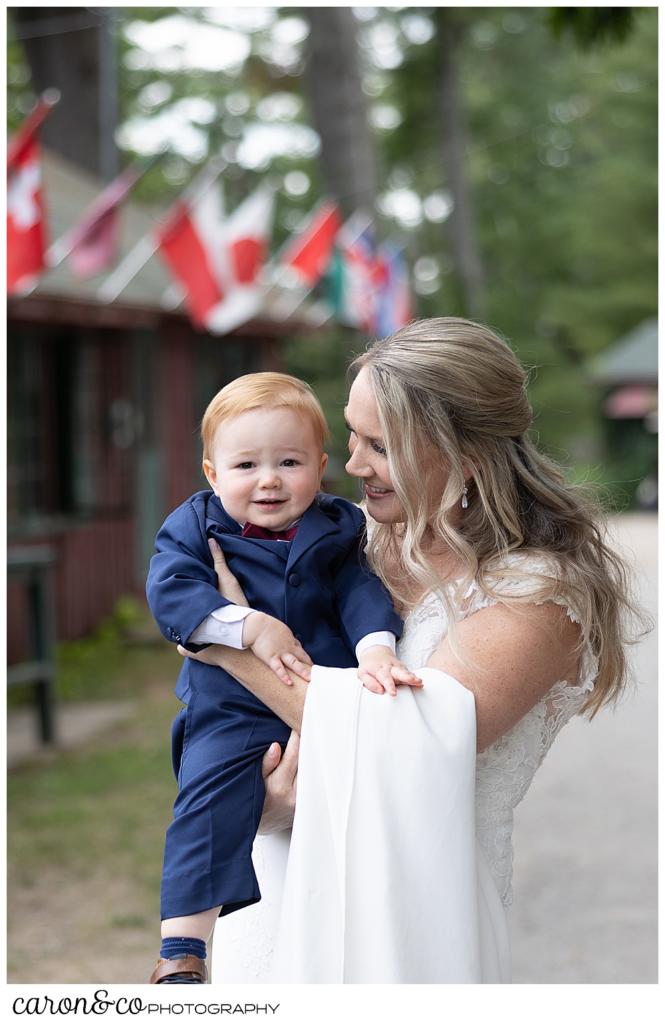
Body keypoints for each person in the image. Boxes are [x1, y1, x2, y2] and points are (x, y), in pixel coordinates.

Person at [179, 318, 639, 983]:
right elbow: (221, 712)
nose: (353, 464)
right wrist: (251, 801)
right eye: (351, 435)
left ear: (467, 452)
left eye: (380, 445)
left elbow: (403, 742)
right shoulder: (341, 540)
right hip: (274, 884)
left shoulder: (534, 593)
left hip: (416, 922)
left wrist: (226, 643)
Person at [146, 372, 419, 984]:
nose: (268, 479)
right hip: (232, 707)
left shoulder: (339, 525)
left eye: (289, 462)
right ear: (213, 474)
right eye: (246, 465)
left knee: (344, 840)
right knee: (208, 802)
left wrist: (376, 648)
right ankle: (183, 946)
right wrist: (245, 627)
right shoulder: (195, 525)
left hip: (325, 693)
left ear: (319, 467)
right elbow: (170, 593)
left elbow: (360, 591)